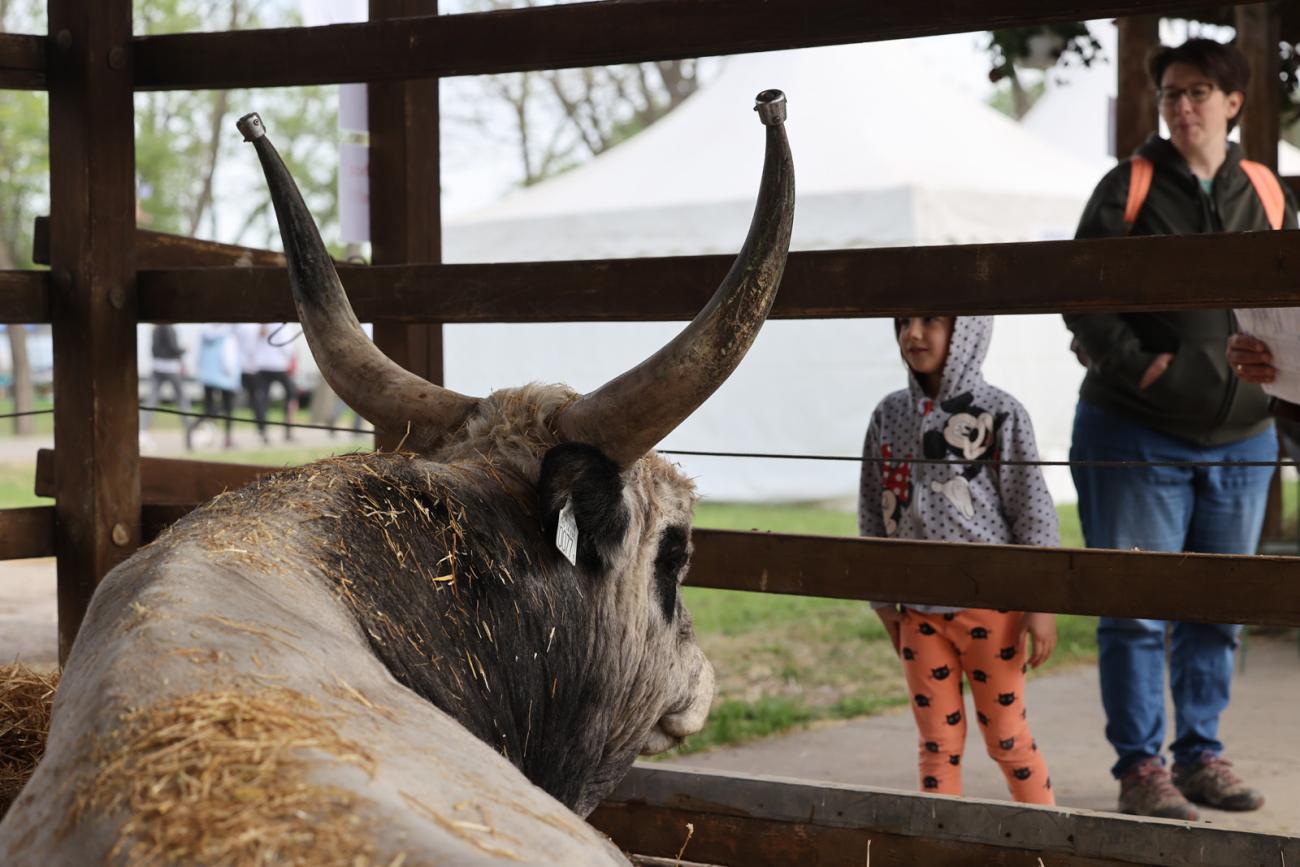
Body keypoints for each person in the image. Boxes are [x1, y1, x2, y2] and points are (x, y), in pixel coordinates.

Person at [1064, 38, 1296, 820]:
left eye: (1198, 92)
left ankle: (1202, 757)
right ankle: (1141, 769)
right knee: (1135, 607)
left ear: (1234, 103)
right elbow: (1078, 292)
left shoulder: (1264, 189)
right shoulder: (1127, 186)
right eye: (1170, 94)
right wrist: (1143, 368)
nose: (1181, 106)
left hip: (1244, 437)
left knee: (1216, 605)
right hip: (1133, 433)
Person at [860, 314, 1059, 805]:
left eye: (932, 321)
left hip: (992, 614)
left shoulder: (1000, 413)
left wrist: (1040, 601)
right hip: (919, 616)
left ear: (967, 330)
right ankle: (938, 844)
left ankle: (1049, 844)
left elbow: (1031, 507)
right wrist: (884, 601)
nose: (914, 333)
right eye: (904, 321)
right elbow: (872, 506)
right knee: (936, 745)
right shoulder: (889, 414)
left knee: (1008, 741)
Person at [140, 323, 193, 450]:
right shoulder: (167, 327)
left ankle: (142, 430)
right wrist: (184, 350)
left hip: (157, 366)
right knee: (181, 399)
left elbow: (153, 350)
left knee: (151, 400)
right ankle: (190, 430)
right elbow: (172, 348)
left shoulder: (154, 329)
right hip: (170, 367)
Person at [192, 324, 241, 450]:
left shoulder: (204, 332)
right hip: (225, 377)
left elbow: (198, 353)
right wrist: (232, 374)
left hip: (207, 375)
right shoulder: (228, 333)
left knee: (208, 409)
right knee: (228, 409)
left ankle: (201, 433)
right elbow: (228, 356)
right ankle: (227, 439)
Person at [251, 323, 299, 445]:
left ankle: (263, 431)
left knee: (263, 399)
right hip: (279, 365)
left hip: (263, 365)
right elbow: (286, 346)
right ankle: (288, 429)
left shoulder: (261, 324)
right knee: (291, 395)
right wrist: (290, 359)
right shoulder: (283, 325)